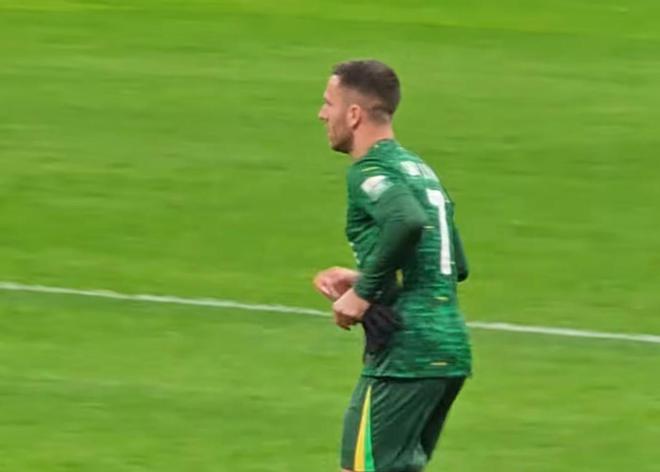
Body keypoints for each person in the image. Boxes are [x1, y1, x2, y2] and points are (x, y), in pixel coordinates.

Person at [314, 59, 472, 472]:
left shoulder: (371, 169)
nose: (321, 114)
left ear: (354, 114)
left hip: (406, 354)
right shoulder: (419, 170)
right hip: (448, 349)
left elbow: (407, 221)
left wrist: (363, 294)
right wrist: (364, 276)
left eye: (328, 103)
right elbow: (453, 264)